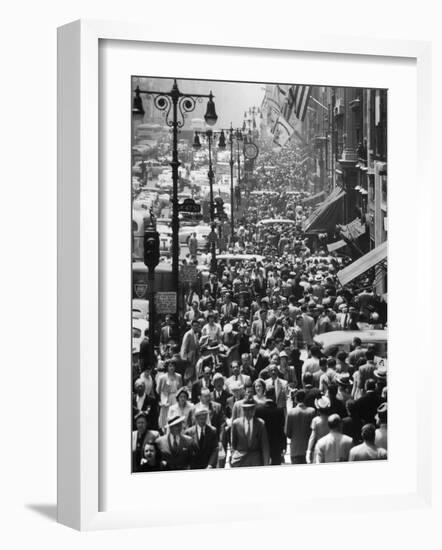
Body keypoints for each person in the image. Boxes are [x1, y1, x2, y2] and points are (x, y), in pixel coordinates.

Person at [230, 397, 270, 467]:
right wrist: (234, 456)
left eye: (250, 410)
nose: (248, 412)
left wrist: (266, 463)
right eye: (245, 410)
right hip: (240, 461)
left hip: (255, 461)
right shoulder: (236, 423)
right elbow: (233, 444)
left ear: (254, 410)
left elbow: (265, 446)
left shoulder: (260, 424)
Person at [255, 388, 286, 465]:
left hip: (262, 444)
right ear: (274, 396)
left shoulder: (258, 410)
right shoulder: (280, 411)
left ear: (265, 395)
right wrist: (284, 445)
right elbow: (282, 429)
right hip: (276, 444)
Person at [285, 389, 316, 464]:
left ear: (295, 399)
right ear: (305, 399)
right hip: (308, 449)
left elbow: (287, 432)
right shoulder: (312, 411)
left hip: (295, 449)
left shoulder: (291, 412)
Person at [185, 405, 219, 469]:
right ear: (196, 418)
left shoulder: (212, 431)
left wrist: (210, 465)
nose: (203, 421)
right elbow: (187, 452)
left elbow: (215, 449)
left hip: (208, 466)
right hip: (194, 467)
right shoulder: (188, 432)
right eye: (201, 419)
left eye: (205, 419)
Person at [156, 360, 183, 431]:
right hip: (166, 399)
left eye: (173, 366)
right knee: (165, 416)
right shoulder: (162, 377)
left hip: (176, 398)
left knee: (176, 414)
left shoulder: (179, 376)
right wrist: (161, 399)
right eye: (170, 366)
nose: (172, 368)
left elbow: (180, 389)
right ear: (167, 367)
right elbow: (158, 391)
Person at [306, 396, 330, 463]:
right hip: (330, 447)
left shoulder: (315, 420)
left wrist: (309, 451)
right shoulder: (331, 419)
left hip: (319, 447)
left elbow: (312, 437)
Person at [180, 320, 200, 385]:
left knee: (194, 375)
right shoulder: (188, 334)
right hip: (189, 358)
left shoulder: (196, 334)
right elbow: (184, 346)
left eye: (197, 326)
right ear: (191, 326)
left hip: (194, 358)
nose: (196, 327)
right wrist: (185, 358)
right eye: (194, 326)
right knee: (188, 375)